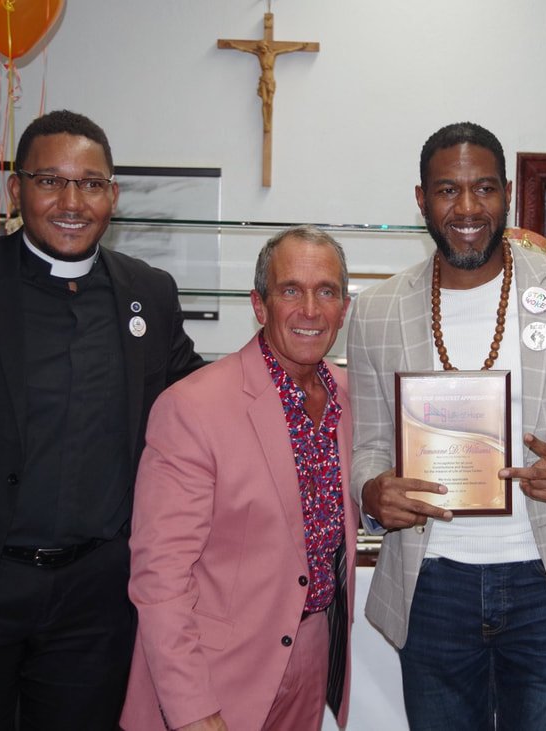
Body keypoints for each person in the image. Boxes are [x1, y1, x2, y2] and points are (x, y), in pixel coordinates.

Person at [0, 109, 204, 730]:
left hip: (95, 605)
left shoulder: (149, 292)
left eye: (90, 184)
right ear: (16, 189)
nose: (72, 202)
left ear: (113, 194)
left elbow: (202, 403)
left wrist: (296, 373)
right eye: (50, 181)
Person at [347, 121, 546, 730]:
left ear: (506, 193)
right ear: (421, 199)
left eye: (483, 188)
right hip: (431, 584)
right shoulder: (375, 310)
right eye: (447, 190)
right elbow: (369, 445)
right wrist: (372, 492)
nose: (467, 208)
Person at [120, 226, 357, 731]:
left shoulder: (348, 396)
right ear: (259, 304)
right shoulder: (192, 407)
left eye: (326, 292)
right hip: (216, 672)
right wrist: (192, 708)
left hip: (311, 656)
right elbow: (160, 577)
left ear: (344, 308)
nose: (310, 310)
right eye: (290, 290)